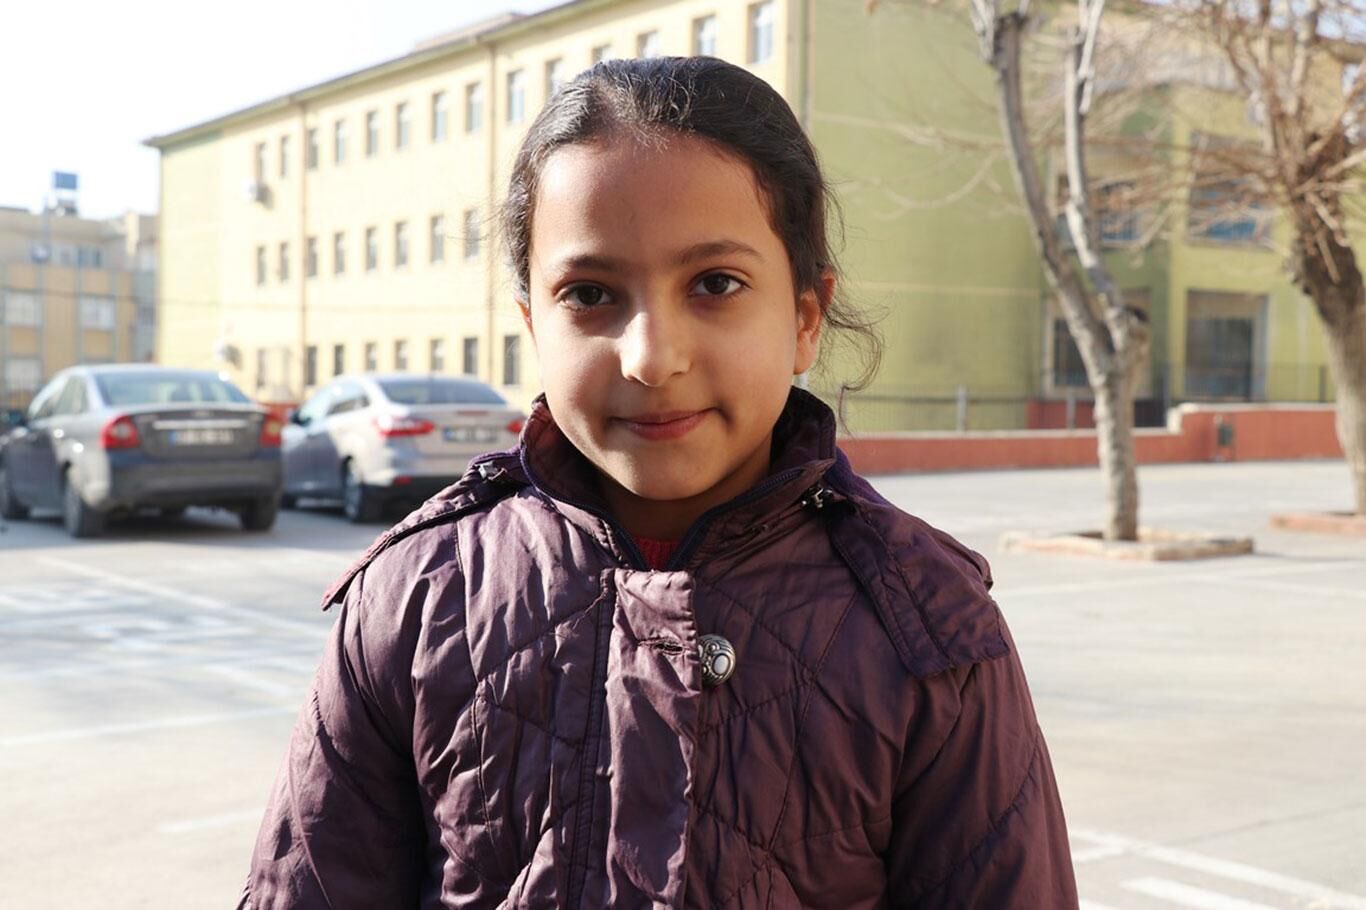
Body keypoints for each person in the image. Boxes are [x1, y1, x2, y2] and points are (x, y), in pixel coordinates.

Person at [239, 56, 1078, 908]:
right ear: (533, 323)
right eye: (590, 294)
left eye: (715, 284)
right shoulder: (418, 601)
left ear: (804, 318)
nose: (651, 358)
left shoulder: (929, 628)